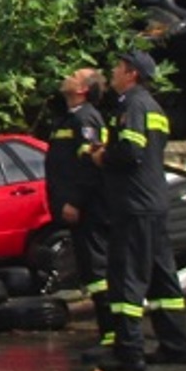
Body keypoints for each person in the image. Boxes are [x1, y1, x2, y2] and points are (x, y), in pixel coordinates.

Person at [91, 48, 186, 371]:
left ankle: (129, 352)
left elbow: (132, 151)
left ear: (131, 73)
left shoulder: (132, 105)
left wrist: (102, 157)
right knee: (164, 280)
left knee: (127, 278)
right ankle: (176, 346)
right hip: (154, 203)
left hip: (133, 206)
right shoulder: (155, 108)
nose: (112, 73)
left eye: (117, 68)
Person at [45, 67, 113, 354]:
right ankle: (108, 331)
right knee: (90, 270)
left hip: (89, 210)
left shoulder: (86, 119)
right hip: (76, 208)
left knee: (99, 272)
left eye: (74, 75)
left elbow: (90, 168)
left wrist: (76, 201)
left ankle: (112, 334)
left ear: (83, 89)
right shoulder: (70, 118)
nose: (67, 76)